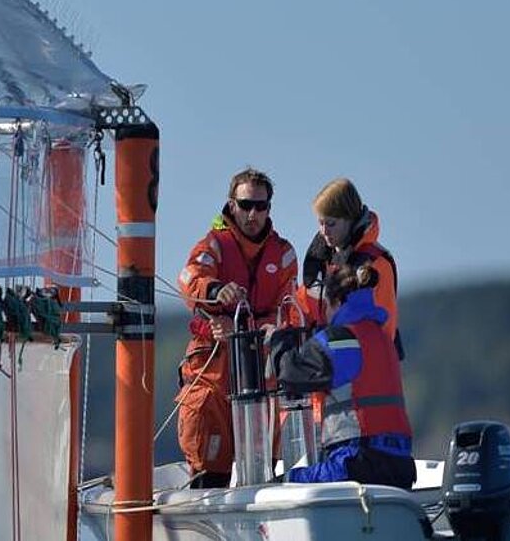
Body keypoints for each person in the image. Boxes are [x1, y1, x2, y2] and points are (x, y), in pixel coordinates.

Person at [176, 168, 299, 488]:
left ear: (270, 208)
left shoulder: (283, 254)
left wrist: (241, 325)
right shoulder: (214, 245)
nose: (253, 214)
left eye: (261, 206)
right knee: (209, 468)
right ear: (231, 205)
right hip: (214, 371)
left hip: (260, 375)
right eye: (246, 205)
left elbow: (288, 313)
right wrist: (217, 292)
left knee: (261, 472)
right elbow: (190, 279)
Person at [271, 264, 415, 488]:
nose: (325, 315)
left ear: (335, 302)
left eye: (325, 306)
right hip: (401, 465)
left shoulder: (340, 339)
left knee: (286, 482)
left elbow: (291, 376)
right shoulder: (384, 337)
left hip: (357, 462)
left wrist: (279, 339)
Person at [301, 178, 402, 358]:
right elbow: (301, 309)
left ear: (350, 219)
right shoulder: (322, 262)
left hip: (365, 370)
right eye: (320, 223)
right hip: (323, 368)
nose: (324, 231)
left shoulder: (376, 263)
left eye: (331, 224)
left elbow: (385, 329)